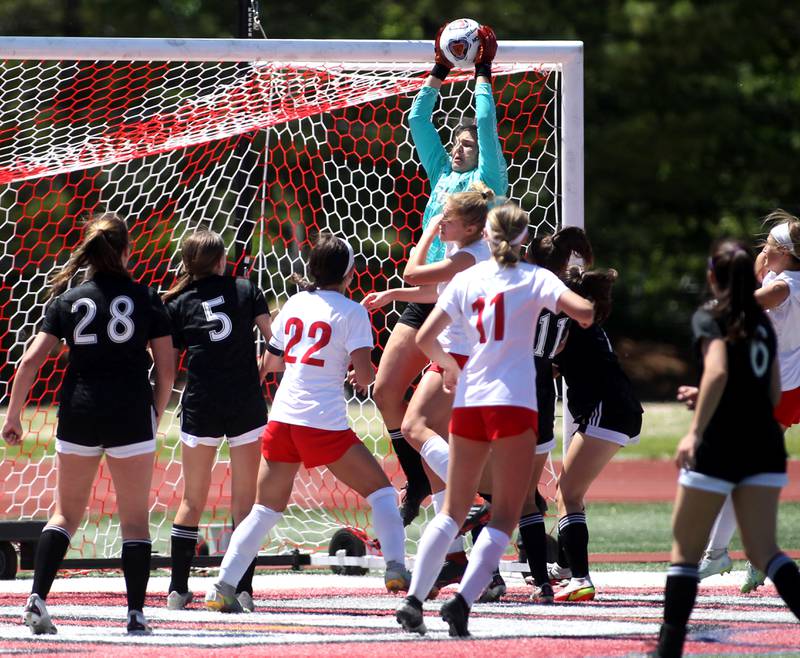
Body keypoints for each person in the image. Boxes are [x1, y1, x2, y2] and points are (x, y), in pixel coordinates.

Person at [395, 202, 594, 638]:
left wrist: (449, 367)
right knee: (505, 515)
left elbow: (427, 337)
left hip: (470, 399)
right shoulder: (536, 277)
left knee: (450, 509)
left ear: (486, 236)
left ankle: (414, 599)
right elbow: (584, 311)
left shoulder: (467, 278)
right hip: (515, 403)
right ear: (524, 240)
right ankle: (462, 602)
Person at [205, 233, 411, 612]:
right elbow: (366, 377)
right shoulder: (354, 312)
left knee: (264, 510)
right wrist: (355, 372)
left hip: (282, 418)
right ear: (348, 274)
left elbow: (272, 363)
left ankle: (223, 586)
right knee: (382, 494)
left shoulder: (296, 302)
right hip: (322, 423)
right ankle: (396, 567)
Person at [0, 213, 175, 635]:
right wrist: (154, 411)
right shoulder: (147, 298)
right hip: (130, 413)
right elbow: (167, 370)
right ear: (127, 251)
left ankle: (36, 600)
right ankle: (135, 615)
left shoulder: (69, 299)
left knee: (64, 514)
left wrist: (14, 415)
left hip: (79, 410)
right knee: (134, 520)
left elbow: (29, 361)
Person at [372, 22, 507, 525]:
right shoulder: (443, 175)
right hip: (425, 290)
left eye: (466, 144)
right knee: (386, 393)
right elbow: (416, 120)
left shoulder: (486, 180)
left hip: (461, 299)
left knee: (445, 420)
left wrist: (483, 73)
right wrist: (440, 68)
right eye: (456, 143)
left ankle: (485, 505)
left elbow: (487, 125)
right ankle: (418, 486)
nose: (457, 148)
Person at [653, 239, 800, 658]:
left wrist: (696, 429)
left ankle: (669, 647)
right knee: (766, 550)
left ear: (712, 277)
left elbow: (717, 370)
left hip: (723, 441)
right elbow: (771, 391)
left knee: (684, 548)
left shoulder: (712, 315)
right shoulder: (763, 321)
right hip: (766, 444)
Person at [365, 183, 494, 595]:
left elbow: (414, 272)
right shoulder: (474, 255)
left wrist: (426, 230)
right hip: (471, 357)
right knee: (432, 448)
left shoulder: (468, 254)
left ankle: (471, 498)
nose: (441, 224)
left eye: (448, 220)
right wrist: (394, 296)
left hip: (461, 357)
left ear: (471, 225)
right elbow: (430, 290)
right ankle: (463, 564)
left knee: (415, 427)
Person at [686, 211, 800, 593]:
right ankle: (752, 556)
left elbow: (751, 300)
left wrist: (714, 310)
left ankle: (724, 552)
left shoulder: (785, 286)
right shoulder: (778, 272)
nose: (761, 249)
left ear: (784, 252)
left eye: (768, 244)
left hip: (778, 387)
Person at [161, 230, 273, 612]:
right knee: (245, 504)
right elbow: (275, 344)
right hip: (245, 401)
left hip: (201, 403)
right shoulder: (246, 289)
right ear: (221, 259)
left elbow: (166, 365)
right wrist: (258, 371)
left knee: (192, 500)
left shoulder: (178, 302)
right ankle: (243, 589)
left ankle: (177, 589)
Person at [546, 266, 643, 602]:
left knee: (568, 494)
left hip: (609, 408)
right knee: (568, 490)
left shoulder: (571, 323)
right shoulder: (585, 324)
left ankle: (581, 578)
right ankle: (568, 567)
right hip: (616, 407)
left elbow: (547, 359)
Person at [519, 226, 594, 604]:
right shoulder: (568, 295)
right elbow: (559, 346)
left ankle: (487, 571)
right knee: (525, 493)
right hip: (543, 389)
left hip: (511, 381)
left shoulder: (525, 285)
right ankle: (544, 583)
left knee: (488, 486)